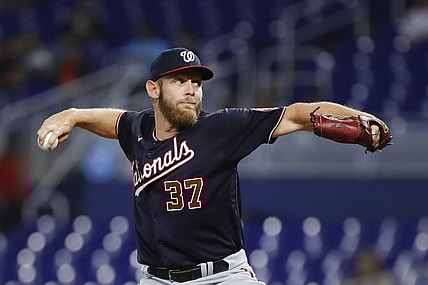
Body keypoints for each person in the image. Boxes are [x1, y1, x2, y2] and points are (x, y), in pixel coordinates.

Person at [37, 47, 391, 284]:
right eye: (180, 81)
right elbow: (112, 121)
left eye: (196, 82)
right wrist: (74, 115)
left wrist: (361, 118)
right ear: (153, 89)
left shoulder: (222, 128)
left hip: (221, 277)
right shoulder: (139, 129)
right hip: (156, 278)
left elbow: (298, 114)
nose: (192, 89)